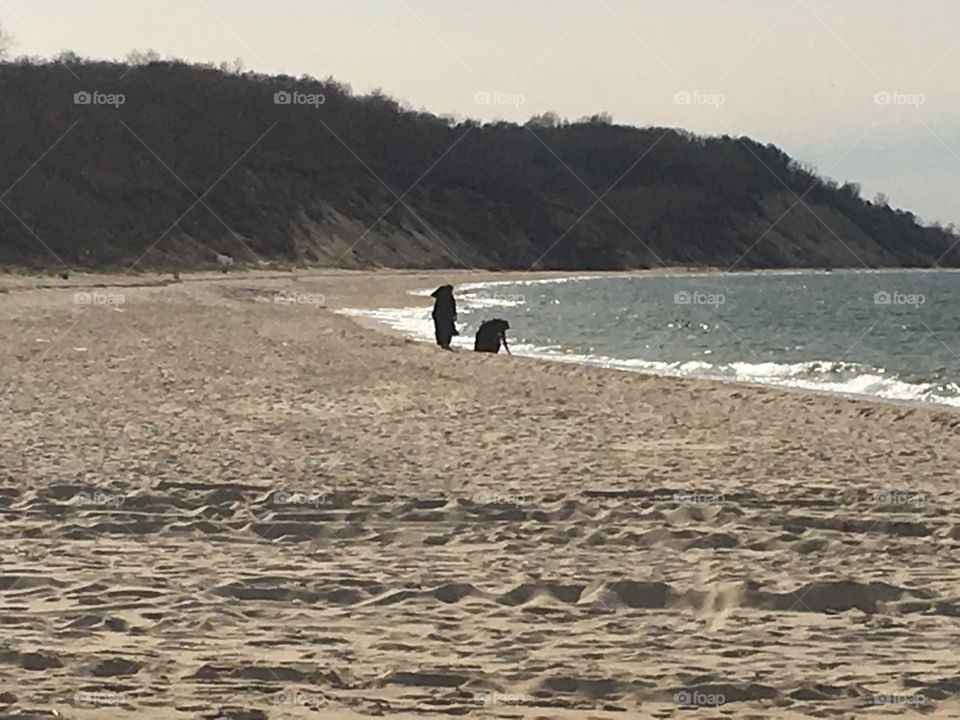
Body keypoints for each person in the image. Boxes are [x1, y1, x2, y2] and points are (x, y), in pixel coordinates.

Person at [430, 285, 457, 349]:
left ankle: (441, 342)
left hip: (439, 315)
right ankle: (445, 343)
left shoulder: (440, 297)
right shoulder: (449, 298)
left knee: (439, 329)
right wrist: (454, 316)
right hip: (446, 316)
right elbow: (452, 308)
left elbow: (433, 295)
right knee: (447, 330)